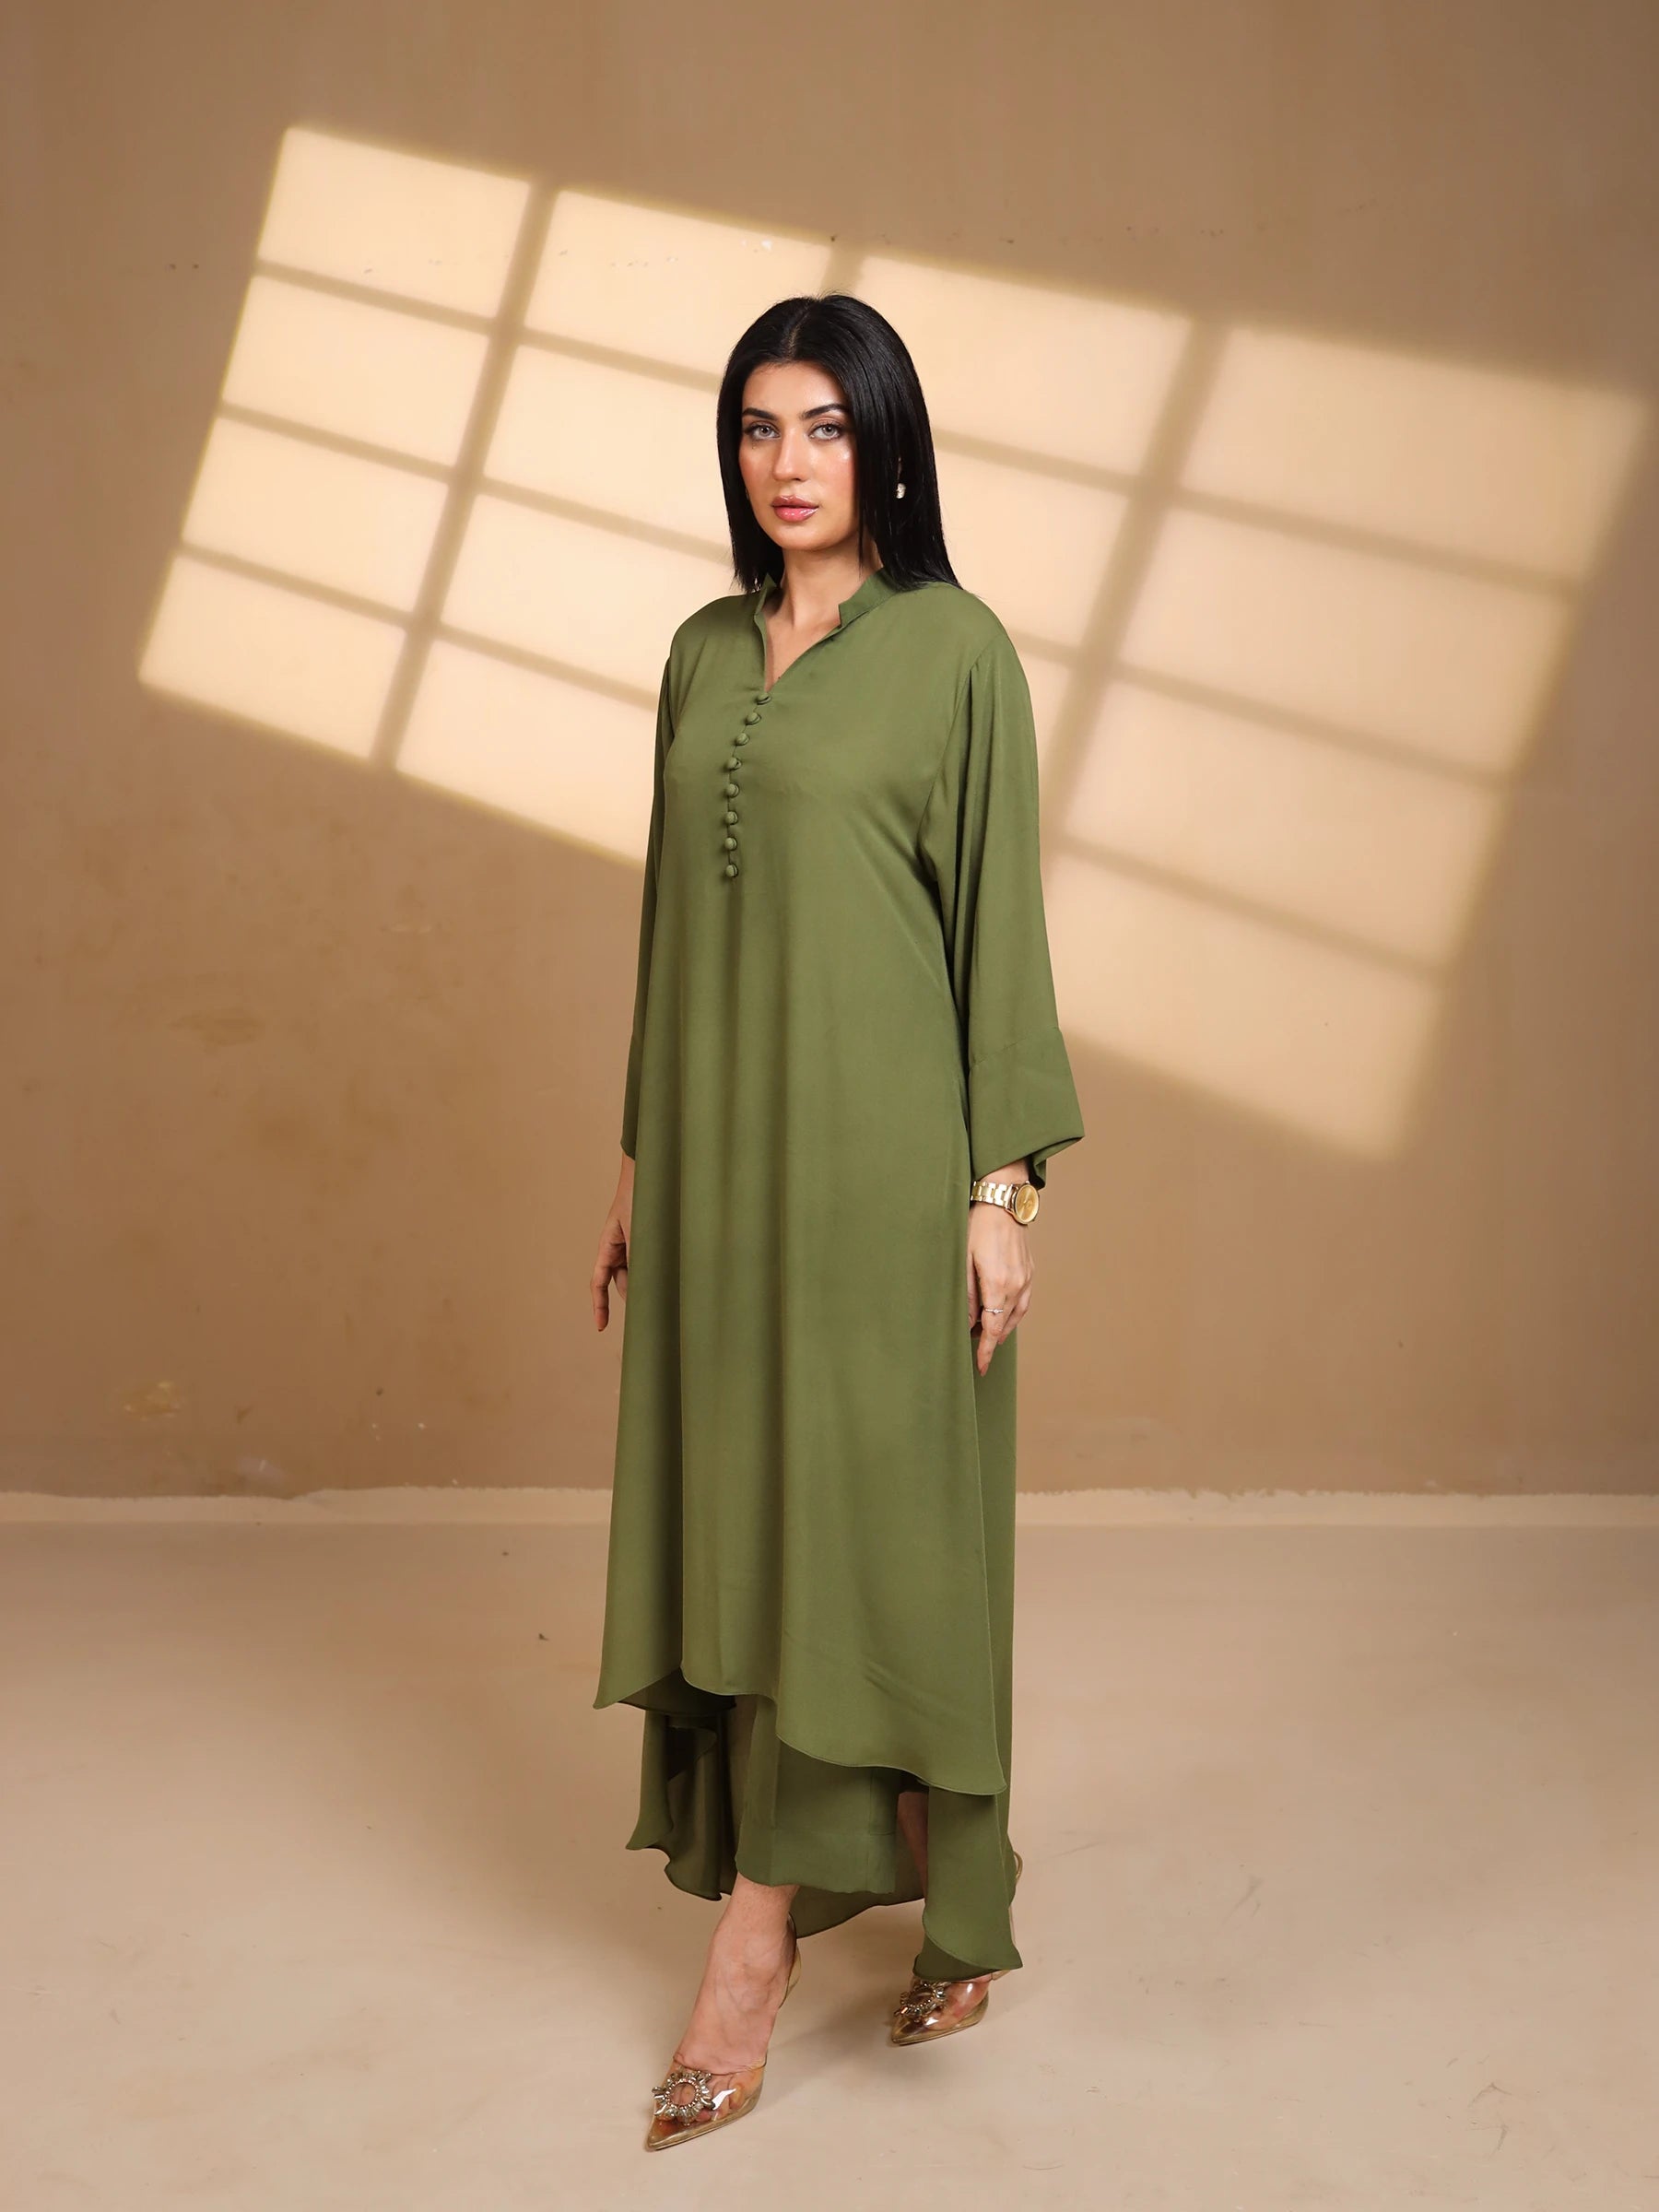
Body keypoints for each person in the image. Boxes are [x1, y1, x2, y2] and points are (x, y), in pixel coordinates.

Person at [589, 292, 1085, 2151]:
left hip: (884, 1177)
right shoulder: (702, 653)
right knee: (753, 1530)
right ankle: (949, 1885)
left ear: (886, 446)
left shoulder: (956, 652)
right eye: (757, 428)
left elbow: (998, 936)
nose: (788, 464)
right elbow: (673, 927)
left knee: (865, 1546)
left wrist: (998, 1191)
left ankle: (753, 1948)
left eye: (822, 427)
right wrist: (639, 1165)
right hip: (722, 1176)